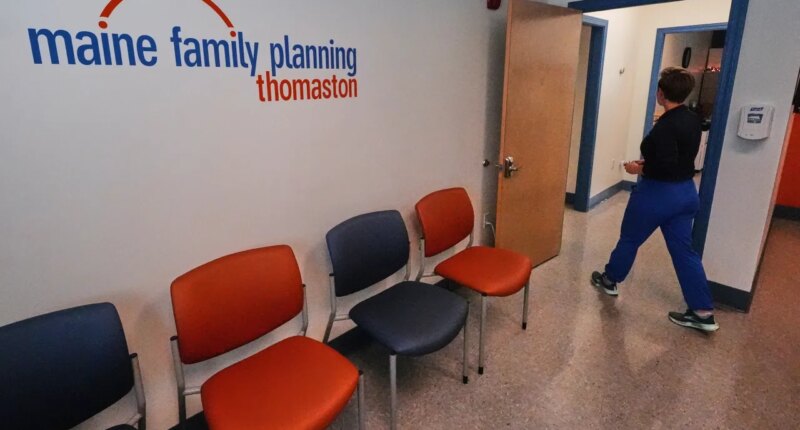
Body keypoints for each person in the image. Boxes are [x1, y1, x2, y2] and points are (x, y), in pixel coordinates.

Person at [591, 67, 719, 332]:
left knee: (630, 239)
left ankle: (610, 280)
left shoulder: (664, 127)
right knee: (685, 251)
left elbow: (665, 165)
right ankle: (703, 312)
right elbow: (677, 158)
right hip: (686, 193)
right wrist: (650, 163)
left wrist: (641, 169)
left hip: (658, 195)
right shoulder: (692, 118)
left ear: (661, 93)